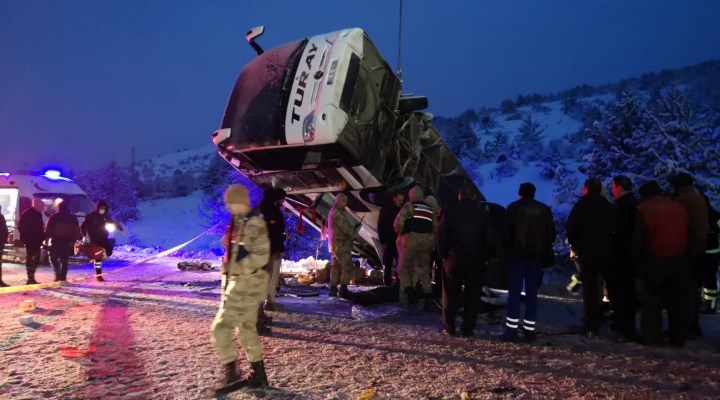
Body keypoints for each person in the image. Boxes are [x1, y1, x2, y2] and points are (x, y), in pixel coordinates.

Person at [211, 184, 271, 395]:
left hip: (247, 283)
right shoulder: (239, 221)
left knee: (220, 327)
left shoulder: (253, 222)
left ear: (239, 201)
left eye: (230, 202)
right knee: (246, 330)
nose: (227, 207)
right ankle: (259, 376)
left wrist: (238, 266)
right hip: (241, 282)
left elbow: (262, 255)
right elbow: (239, 248)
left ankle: (232, 374)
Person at [633, 180, 690, 347]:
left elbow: (638, 239)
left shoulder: (643, 210)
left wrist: (636, 262)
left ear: (645, 195)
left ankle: (653, 338)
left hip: (654, 259)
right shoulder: (678, 207)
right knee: (677, 301)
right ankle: (678, 337)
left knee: (651, 301)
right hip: (680, 259)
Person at [437, 183, 493, 337]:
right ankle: (467, 330)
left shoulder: (449, 212)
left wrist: (443, 255)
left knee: (449, 293)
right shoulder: (483, 215)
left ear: (459, 195)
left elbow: (440, 235)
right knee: (473, 295)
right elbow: (490, 239)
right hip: (476, 260)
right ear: (474, 197)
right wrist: (486, 258)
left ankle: (449, 328)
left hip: (453, 258)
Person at [502, 182, 556, 343]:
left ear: (520, 193)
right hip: (536, 259)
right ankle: (529, 331)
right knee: (532, 294)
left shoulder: (513, 208)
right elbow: (552, 235)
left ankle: (511, 331)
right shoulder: (544, 210)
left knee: (514, 294)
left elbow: (505, 234)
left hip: (516, 258)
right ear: (534, 193)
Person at [566, 178, 618, 338]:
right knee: (608, 286)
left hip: (587, 254)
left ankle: (591, 323)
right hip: (607, 253)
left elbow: (571, 228)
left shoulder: (580, 207)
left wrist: (577, 246)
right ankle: (608, 316)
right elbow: (617, 228)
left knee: (590, 289)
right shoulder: (609, 207)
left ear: (586, 189)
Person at [669, 173, 709, 337]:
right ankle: (693, 323)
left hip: (687, 249)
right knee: (693, 287)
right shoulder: (698, 198)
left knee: (685, 289)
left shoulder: (683, 201)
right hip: (700, 248)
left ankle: (685, 325)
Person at [607, 175, 640, 341]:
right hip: (629, 258)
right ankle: (624, 325)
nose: (611, 190)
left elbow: (620, 234)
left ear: (619, 187)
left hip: (622, 258)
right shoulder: (633, 205)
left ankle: (625, 327)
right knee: (626, 293)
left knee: (622, 293)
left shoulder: (625, 208)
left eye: (613, 186)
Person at [394, 186, 436, 308]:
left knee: (403, 269)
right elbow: (435, 227)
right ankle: (428, 298)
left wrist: (401, 233)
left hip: (410, 241)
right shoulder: (430, 209)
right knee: (424, 270)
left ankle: (409, 294)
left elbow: (398, 223)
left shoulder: (409, 206)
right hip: (426, 242)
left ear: (411, 195)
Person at [256, 188, 286, 335]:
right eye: (282, 199)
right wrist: (280, 243)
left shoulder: (259, 208)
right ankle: (256, 322)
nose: (283, 202)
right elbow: (273, 232)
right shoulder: (270, 211)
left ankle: (260, 316)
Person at [81, 200, 123, 282]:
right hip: (94, 238)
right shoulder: (91, 216)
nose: (102, 209)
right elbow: (83, 226)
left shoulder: (105, 216)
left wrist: (120, 228)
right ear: (98, 208)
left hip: (103, 237)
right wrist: (85, 235)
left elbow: (112, 222)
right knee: (98, 258)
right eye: (101, 208)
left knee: (109, 250)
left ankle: (99, 256)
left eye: (104, 208)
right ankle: (98, 274)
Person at [327, 193, 356, 298]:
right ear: (339, 201)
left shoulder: (335, 211)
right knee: (347, 266)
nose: (346, 203)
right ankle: (343, 289)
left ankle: (333, 289)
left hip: (336, 244)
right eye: (344, 201)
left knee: (335, 267)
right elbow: (345, 228)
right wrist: (354, 234)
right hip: (341, 244)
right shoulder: (337, 212)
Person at [46, 200, 81, 282]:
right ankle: (63, 276)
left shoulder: (54, 217)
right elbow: (76, 230)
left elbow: (49, 229)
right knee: (64, 259)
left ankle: (58, 274)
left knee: (53, 258)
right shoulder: (72, 217)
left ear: (59, 207)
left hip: (56, 240)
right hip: (67, 241)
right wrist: (73, 240)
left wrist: (47, 239)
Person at [378, 192, 405, 286]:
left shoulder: (401, 210)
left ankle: (397, 282)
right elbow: (381, 226)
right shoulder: (386, 210)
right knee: (388, 263)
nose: (401, 202)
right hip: (389, 240)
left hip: (397, 241)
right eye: (399, 200)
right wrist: (383, 241)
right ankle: (387, 282)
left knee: (398, 262)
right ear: (394, 199)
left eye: (402, 200)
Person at [18, 198, 45, 285]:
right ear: (36, 205)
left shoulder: (37, 214)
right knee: (32, 257)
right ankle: (30, 277)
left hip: (35, 240)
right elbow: (22, 227)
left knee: (34, 258)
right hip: (31, 240)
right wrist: (26, 237)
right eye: (42, 206)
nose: (43, 207)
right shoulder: (29, 214)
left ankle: (31, 277)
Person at [701, 194, 720, 314]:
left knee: (708, 280)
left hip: (708, 252)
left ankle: (710, 305)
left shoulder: (714, 216)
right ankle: (710, 305)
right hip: (711, 252)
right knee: (709, 279)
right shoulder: (716, 215)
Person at [0, 205, 9, 287]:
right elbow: (4, 229)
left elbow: (4, 230)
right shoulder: (1, 217)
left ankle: (0, 281)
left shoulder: (1, 217)